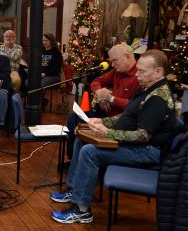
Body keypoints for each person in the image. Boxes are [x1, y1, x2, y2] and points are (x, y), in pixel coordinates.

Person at [51, 49, 176, 224]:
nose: (137, 75)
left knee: (90, 152)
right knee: (82, 139)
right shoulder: (146, 88)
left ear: (158, 72)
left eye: (142, 71)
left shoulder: (157, 98)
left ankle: (82, 210)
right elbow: (127, 117)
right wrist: (103, 122)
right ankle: (75, 189)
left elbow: (142, 136)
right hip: (139, 145)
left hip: (149, 151)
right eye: (137, 70)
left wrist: (107, 132)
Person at [66, 43, 139, 159]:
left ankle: (78, 161)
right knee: (73, 118)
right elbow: (96, 81)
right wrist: (99, 93)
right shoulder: (117, 71)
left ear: (128, 57)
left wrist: (111, 99)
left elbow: (134, 107)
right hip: (104, 112)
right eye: (111, 62)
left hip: (120, 120)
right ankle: (72, 159)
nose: (113, 65)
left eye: (115, 61)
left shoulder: (139, 76)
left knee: (80, 127)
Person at [40, 33, 62, 107]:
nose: (44, 42)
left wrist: (45, 74)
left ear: (51, 41)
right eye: (43, 40)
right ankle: (34, 102)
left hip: (53, 76)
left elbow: (56, 69)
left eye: (47, 40)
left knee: (41, 84)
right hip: (40, 74)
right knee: (28, 82)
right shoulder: (40, 51)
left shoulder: (57, 53)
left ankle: (40, 103)